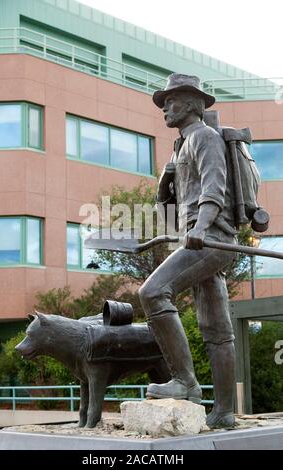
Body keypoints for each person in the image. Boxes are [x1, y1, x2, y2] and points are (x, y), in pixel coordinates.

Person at [138, 73, 237, 429]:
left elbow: (214, 189)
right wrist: (167, 177)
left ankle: (185, 382)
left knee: (151, 291)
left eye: (173, 100)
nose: (166, 106)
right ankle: (225, 412)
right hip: (196, 238)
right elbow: (165, 204)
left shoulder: (205, 138)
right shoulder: (180, 147)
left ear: (193, 104)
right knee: (217, 329)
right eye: (165, 100)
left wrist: (200, 227)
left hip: (211, 240)